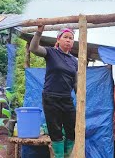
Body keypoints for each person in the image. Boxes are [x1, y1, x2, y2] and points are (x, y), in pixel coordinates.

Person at [29, 25, 78, 158]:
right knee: (55, 132)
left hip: (66, 99)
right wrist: (39, 32)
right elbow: (33, 48)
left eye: (71, 38)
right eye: (65, 37)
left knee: (71, 131)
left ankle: (67, 155)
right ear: (58, 39)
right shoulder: (51, 53)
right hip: (51, 98)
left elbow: (75, 82)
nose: (68, 40)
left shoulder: (74, 61)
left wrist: (80, 97)